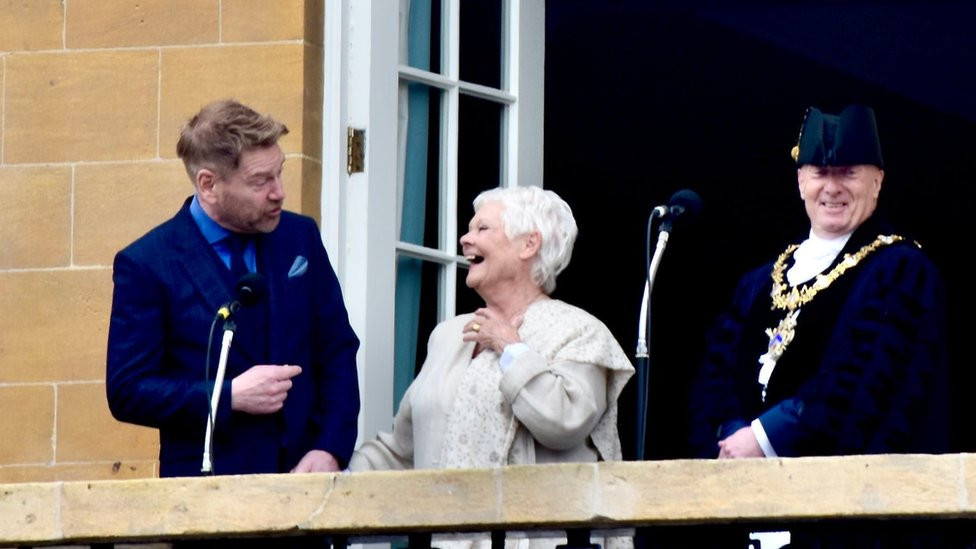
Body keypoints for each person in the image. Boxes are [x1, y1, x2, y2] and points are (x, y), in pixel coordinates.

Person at [690, 105, 949, 547]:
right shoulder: (757, 282)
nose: (832, 188)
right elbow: (713, 381)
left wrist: (763, 437)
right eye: (820, 173)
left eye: (848, 173)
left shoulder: (901, 270)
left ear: (877, 181)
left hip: (844, 519)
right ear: (800, 181)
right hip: (744, 506)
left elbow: (867, 386)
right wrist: (732, 439)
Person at [350, 186, 635, 548]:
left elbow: (563, 421)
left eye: (482, 229)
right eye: (470, 229)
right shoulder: (448, 336)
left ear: (529, 244)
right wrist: (332, 473)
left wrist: (510, 347)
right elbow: (402, 451)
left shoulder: (578, 331)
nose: (465, 239)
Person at [106, 99, 360, 478]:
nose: (279, 192)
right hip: (210, 488)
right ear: (208, 185)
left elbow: (337, 349)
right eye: (260, 182)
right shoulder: (148, 264)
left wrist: (330, 448)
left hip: (306, 478)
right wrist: (227, 397)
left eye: (279, 173)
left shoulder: (300, 237)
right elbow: (128, 390)